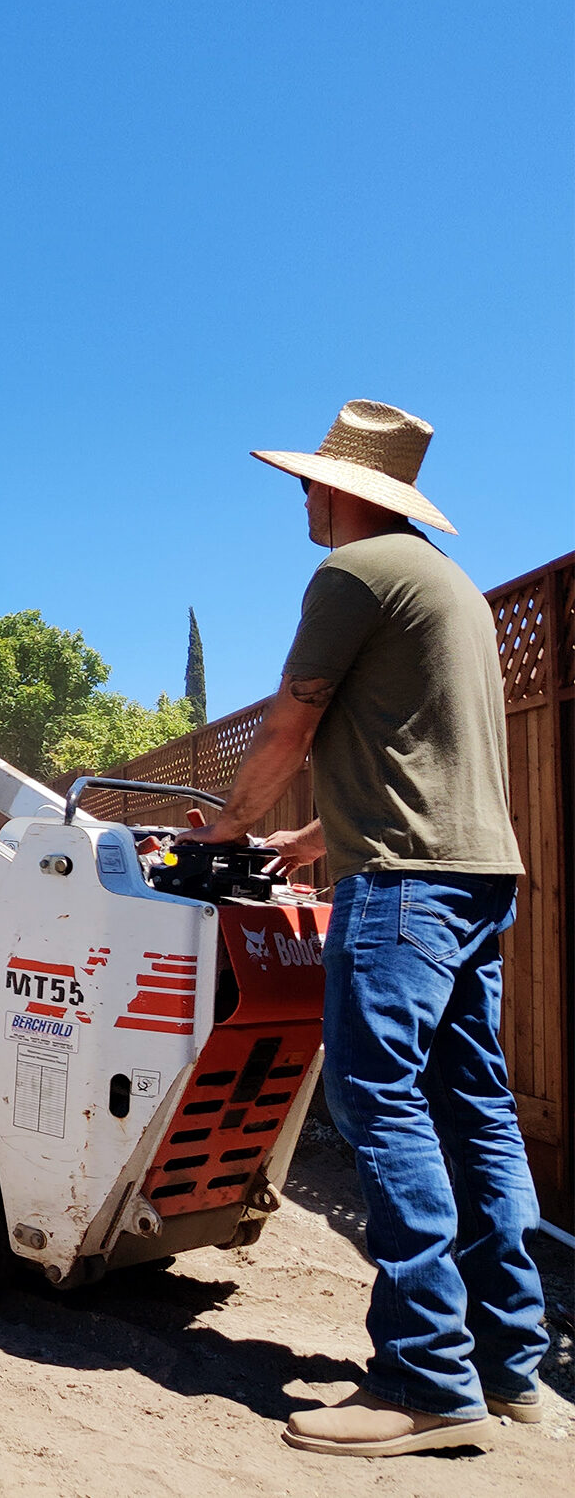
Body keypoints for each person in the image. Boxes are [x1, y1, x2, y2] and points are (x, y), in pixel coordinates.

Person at [177, 400, 545, 1456]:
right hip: (474, 876)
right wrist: (308, 839)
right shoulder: (449, 587)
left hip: (401, 892)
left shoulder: (352, 574)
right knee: (475, 1104)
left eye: (305, 485)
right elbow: (413, 755)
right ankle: (506, 1363)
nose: (300, 499)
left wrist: (231, 831)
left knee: (378, 1104)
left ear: (342, 490)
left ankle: (423, 1381)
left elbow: (293, 723)